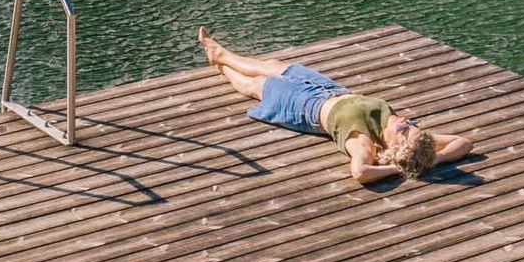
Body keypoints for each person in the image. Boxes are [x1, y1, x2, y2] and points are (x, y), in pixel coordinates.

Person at [201, 30, 473, 185]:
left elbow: (361, 172)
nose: (405, 121)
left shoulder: (363, 142)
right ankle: (222, 55)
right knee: (275, 65)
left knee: (257, 85)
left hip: (305, 107)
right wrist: (436, 159)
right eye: (411, 124)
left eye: (404, 128)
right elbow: (464, 143)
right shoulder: (416, 140)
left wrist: (398, 169)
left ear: (394, 145)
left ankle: (223, 65)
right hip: (331, 90)